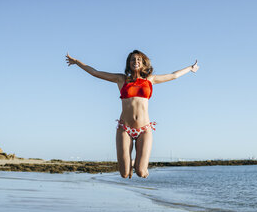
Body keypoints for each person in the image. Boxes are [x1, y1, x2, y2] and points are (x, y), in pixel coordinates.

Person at [66, 50, 199, 179]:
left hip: (144, 129)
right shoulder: (121, 79)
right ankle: (131, 164)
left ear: (143, 63)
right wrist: (77, 62)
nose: (136, 61)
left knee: (141, 172)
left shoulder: (150, 79)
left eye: (139, 59)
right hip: (125, 128)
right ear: (129, 63)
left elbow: (173, 75)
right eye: (133, 59)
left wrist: (190, 68)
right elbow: (95, 73)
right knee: (124, 174)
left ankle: (136, 164)